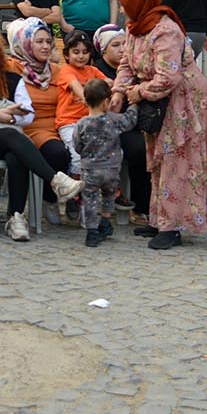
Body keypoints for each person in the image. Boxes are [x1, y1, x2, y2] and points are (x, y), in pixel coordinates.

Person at [112, 0, 207, 250]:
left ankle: (172, 226)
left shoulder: (166, 31)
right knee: (158, 160)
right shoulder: (136, 26)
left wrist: (138, 92)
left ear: (140, 2)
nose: (123, 11)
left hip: (183, 101)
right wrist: (118, 92)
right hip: (159, 102)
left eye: (125, 5)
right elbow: (126, 62)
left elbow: (169, 77)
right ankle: (159, 219)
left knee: (176, 162)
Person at [0, 25, 83, 241]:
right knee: (15, 136)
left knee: (16, 155)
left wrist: (11, 118)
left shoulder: (12, 80)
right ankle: (54, 180)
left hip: (6, 141)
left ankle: (16, 217)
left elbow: (28, 114)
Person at [6, 18, 76, 226]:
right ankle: (48, 198)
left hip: (55, 125)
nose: (45, 46)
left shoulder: (56, 70)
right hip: (25, 126)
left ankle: (60, 200)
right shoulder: (12, 68)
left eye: (48, 41)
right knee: (56, 152)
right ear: (26, 43)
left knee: (73, 147)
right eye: (39, 42)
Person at [91, 24, 152, 223]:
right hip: (111, 127)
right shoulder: (97, 70)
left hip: (137, 121)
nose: (122, 49)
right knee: (138, 149)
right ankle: (139, 206)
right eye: (115, 45)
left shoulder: (135, 67)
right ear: (103, 49)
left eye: (125, 44)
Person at [72, 79, 138, 247]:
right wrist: (134, 104)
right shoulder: (114, 120)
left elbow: (77, 146)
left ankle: (92, 232)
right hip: (112, 169)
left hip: (90, 170)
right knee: (109, 195)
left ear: (85, 101)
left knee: (90, 199)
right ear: (106, 102)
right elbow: (130, 121)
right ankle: (106, 221)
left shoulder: (82, 124)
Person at [55, 31, 108, 185]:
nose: (81, 56)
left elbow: (108, 83)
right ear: (66, 55)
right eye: (76, 52)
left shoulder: (93, 71)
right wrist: (91, 97)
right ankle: (73, 191)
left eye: (85, 52)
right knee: (78, 158)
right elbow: (77, 88)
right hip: (69, 123)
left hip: (91, 121)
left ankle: (109, 192)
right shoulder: (66, 71)